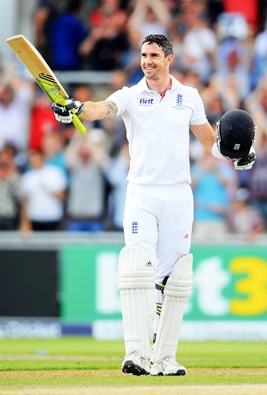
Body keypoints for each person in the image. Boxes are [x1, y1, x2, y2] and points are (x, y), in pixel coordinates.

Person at [51, 34, 256, 376]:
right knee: (137, 266)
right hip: (142, 193)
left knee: (174, 278)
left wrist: (237, 157)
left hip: (178, 195)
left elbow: (210, 143)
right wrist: (76, 108)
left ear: (168, 58)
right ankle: (135, 354)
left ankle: (164, 358)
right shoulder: (131, 95)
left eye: (154, 55)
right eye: (144, 55)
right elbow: (103, 108)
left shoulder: (188, 96)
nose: (147, 61)